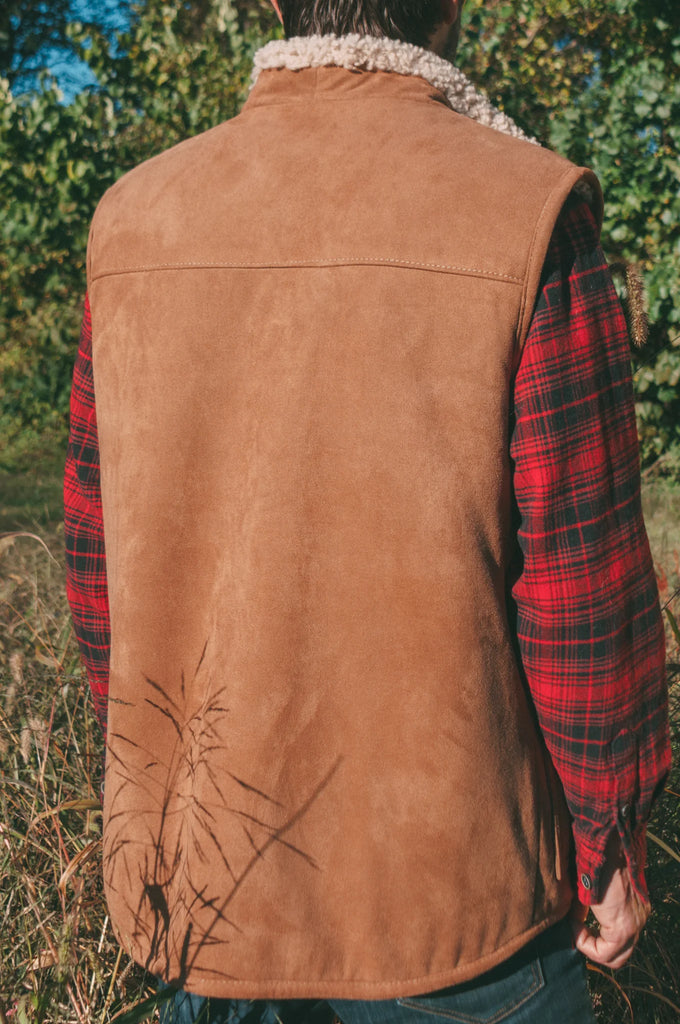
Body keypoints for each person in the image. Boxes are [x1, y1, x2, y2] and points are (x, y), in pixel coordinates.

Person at [64, 1, 671, 1021]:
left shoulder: (135, 218)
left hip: (208, 892)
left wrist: (165, 810)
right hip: (454, 911)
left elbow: (100, 575)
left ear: (268, 4)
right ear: (450, 7)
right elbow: (580, 584)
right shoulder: (524, 205)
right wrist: (607, 843)